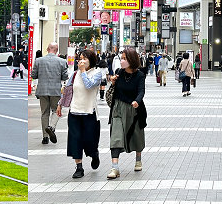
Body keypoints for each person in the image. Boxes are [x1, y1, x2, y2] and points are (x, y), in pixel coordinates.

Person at [57, 49, 102, 179]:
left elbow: (89, 85)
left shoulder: (97, 73)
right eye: (80, 58)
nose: (81, 61)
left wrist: (83, 71)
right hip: (74, 112)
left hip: (89, 112)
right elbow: (67, 90)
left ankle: (94, 154)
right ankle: (79, 167)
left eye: (84, 59)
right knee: (75, 140)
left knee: (90, 140)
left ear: (91, 60)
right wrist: (60, 104)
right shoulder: (75, 74)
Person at [106, 47, 147, 179]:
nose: (122, 61)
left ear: (132, 60)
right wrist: (113, 83)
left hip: (134, 109)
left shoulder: (140, 75)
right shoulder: (119, 72)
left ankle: (138, 160)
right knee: (116, 136)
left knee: (136, 135)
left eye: (124, 58)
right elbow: (115, 89)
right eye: (121, 58)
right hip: (118, 108)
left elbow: (141, 91)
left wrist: (137, 101)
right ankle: (115, 168)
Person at [31, 42, 68, 145]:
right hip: (55, 90)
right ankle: (51, 127)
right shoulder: (62, 61)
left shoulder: (38, 60)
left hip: (42, 90)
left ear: (47, 49)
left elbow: (33, 75)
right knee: (56, 111)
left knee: (44, 113)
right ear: (56, 50)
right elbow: (65, 77)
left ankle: (45, 137)